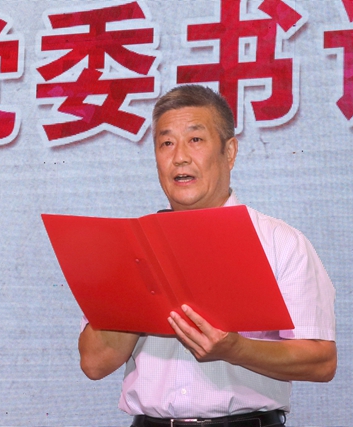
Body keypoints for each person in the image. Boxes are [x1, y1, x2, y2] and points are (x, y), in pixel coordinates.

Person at [78, 85, 336, 427]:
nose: (180, 157)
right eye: (166, 143)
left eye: (195, 140)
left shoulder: (280, 242)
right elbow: (94, 364)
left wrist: (236, 350)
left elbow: (321, 361)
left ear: (229, 152)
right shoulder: (129, 248)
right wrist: (141, 283)